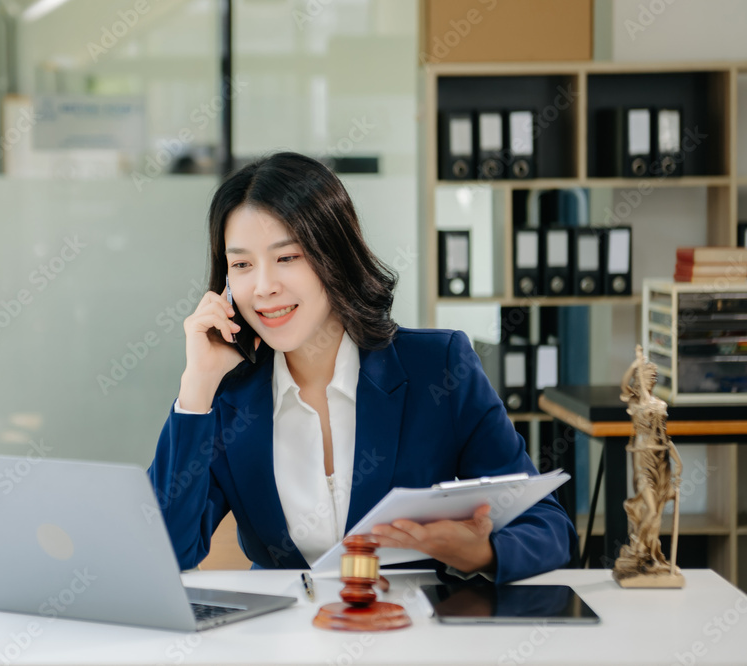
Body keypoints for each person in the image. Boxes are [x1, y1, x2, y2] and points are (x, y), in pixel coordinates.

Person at [148, 152, 577, 583]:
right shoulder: (226, 396)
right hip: (283, 641)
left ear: (334, 255)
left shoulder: (439, 366)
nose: (263, 288)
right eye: (241, 265)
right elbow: (164, 553)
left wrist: (481, 553)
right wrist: (198, 384)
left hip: (412, 635)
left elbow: (548, 528)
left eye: (288, 257)